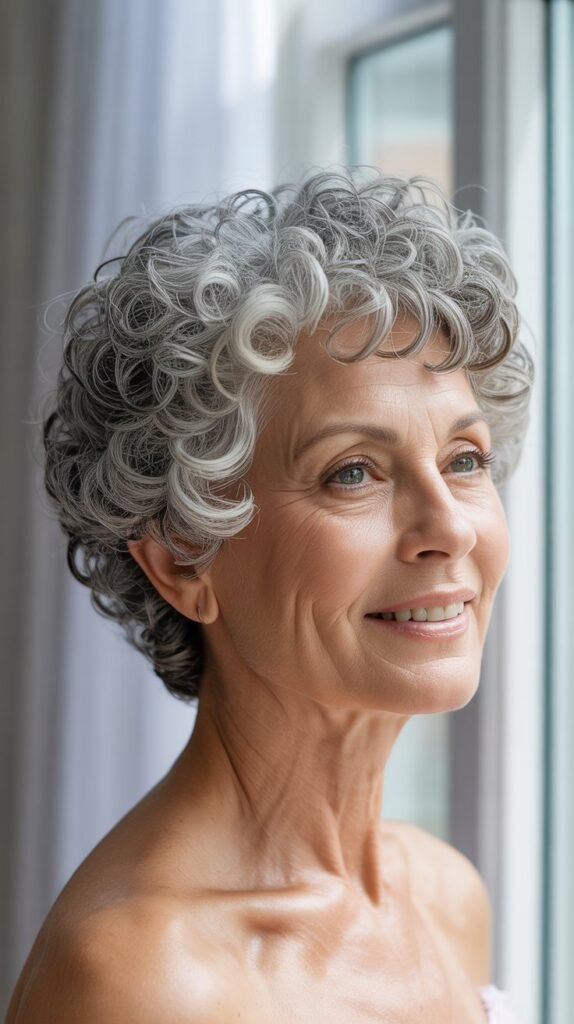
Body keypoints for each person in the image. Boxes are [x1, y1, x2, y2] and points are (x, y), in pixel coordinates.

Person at [7, 169, 532, 1022]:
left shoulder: (446, 899)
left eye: (465, 459)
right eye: (353, 472)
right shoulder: (142, 980)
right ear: (184, 559)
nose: (451, 528)